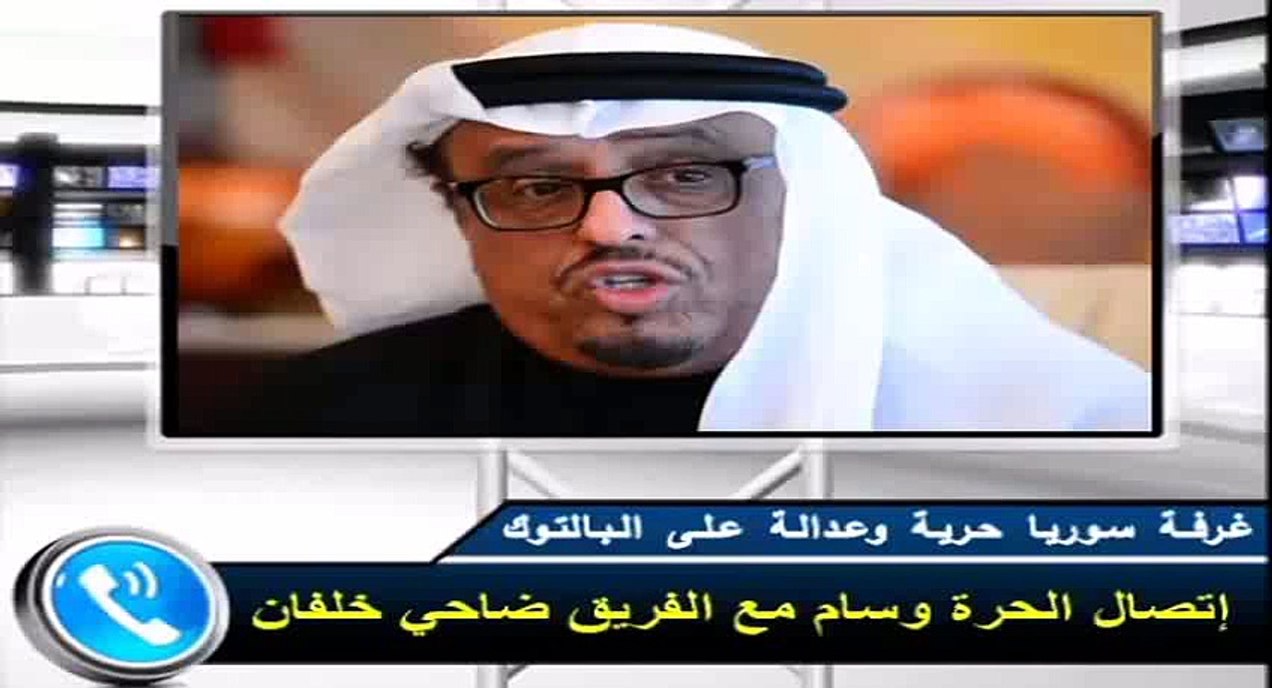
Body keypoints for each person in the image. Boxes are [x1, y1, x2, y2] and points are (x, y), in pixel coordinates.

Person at [234, 22, 1153, 437]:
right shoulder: (318, 419)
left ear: (804, 197)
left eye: (685, 175)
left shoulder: (1053, 420)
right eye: (536, 187)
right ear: (459, 216)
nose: (610, 227)